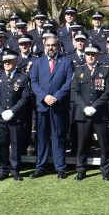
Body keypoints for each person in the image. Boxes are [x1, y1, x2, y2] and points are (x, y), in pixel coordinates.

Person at [30, 34, 74, 179]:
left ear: (58, 46)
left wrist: (56, 97)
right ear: (44, 47)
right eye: (48, 45)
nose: (51, 48)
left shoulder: (66, 62)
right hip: (43, 105)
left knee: (59, 137)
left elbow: (68, 83)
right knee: (41, 138)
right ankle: (40, 166)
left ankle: (60, 167)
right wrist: (44, 97)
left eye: (53, 45)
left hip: (59, 106)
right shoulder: (37, 62)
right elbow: (34, 82)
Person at [71, 44, 109, 180]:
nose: (90, 56)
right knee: (82, 144)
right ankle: (81, 170)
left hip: (100, 113)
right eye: (88, 54)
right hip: (83, 114)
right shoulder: (78, 70)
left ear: (98, 55)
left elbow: (107, 92)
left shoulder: (105, 70)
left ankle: (105, 171)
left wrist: (94, 106)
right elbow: (75, 92)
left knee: (104, 144)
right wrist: (84, 107)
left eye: (93, 54)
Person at [0, 48, 32, 181]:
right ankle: (3, 169)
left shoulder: (23, 77)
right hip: (0, 118)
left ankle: (15, 170)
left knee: (16, 144)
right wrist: (2, 112)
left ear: (16, 60)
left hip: (16, 117)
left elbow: (25, 98)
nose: (7, 63)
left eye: (10, 60)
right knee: (2, 144)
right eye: (5, 61)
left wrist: (12, 111)